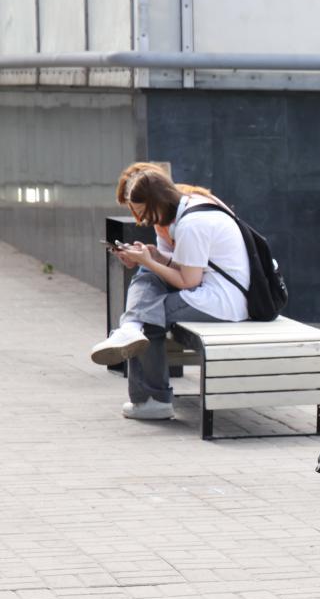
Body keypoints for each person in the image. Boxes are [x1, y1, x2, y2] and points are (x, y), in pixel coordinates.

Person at [90, 168, 250, 420]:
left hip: (222, 302)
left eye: (143, 213)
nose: (142, 220)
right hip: (209, 291)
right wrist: (154, 257)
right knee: (147, 279)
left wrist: (151, 262)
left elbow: (188, 281)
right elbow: (185, 267)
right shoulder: (184, 213)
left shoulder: (191, 224)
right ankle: (130, 327)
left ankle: (153, 400)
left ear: (156, 202)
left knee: (148, 318)